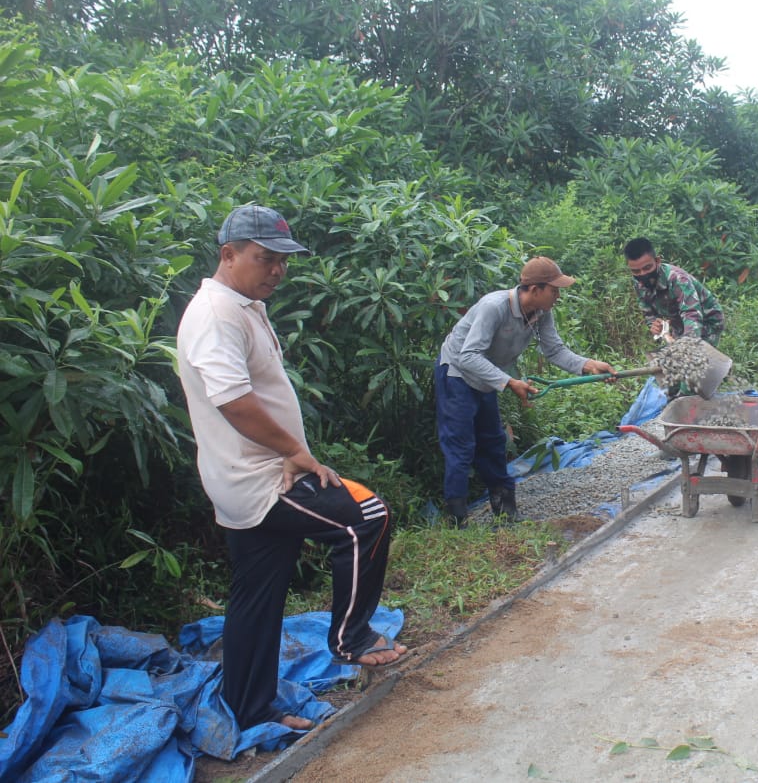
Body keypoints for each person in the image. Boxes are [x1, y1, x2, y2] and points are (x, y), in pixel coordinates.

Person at [176, 205, 405, 734]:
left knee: (257, 597)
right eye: (265, 259)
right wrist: (294, 451)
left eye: (283, 260)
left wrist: (284, 448)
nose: (277, 270)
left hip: (251, 473)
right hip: (260, 479)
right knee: (366, 515)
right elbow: (233, 401)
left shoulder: (241, 303)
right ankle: (352, 638)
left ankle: (250, 708)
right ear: (227, 254)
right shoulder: (216, 314)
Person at [436, 257, 614, 526]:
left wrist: (588, 365)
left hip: (487, 377)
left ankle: (505, 510)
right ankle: (457, 520)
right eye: (554, 290)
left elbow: (554, 350)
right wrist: (509, 382)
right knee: (461, 447)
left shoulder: (541, 313)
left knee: (493, 442)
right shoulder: (494, 307)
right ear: (534, 289)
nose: (557, 296)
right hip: (457, 374)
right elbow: (468, 355)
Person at [623, 237, 724, 344]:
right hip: (678, 319)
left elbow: (692, 313)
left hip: (707, 321)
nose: (642, 274)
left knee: (696, 354)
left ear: (657, 261)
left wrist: (687, 344)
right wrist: (655, 326)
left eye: (647, 268)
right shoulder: (638, 282)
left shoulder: (678, 279)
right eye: (636, 271)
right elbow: (648, 313)